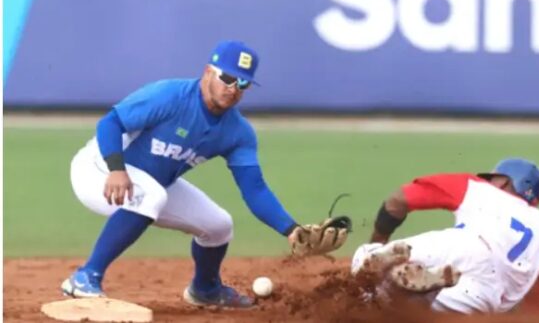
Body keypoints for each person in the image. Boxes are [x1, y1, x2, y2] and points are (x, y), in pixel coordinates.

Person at [61, 40, 348, 308]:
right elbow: (110, 123)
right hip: (98, 169)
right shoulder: (170, 96)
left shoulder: (238, 132)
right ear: (208, 72)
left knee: (219, 225)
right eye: (227, 77)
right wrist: (116, 169)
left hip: (150, 184)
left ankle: (205, 289)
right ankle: (85, 277)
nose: (233, 87)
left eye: (243, 82)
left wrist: (291, 229)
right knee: (151, 195)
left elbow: (255, 188)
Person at [351, 158, 539, 315]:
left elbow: (398, 200)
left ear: (505, 183)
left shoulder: (478, 188)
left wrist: (379, 238)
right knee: (416, 313)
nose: (487, 180)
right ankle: (425, 292)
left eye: (493, 177)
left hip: (463, 246)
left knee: (365, 262)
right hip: (487, 293)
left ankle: (383, 260)